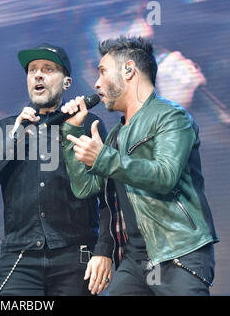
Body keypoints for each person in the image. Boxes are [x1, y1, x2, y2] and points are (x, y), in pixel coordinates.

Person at [62, 36, 219, 295]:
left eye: (103, 72)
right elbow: (85, 188)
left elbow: (165, 175)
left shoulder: (171, 116)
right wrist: (71, 130)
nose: (97, 83)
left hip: (178, 252)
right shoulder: (115, 134)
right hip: (135, 260)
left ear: (129, 70)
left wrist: (103, 158)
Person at [0, 43, 113, 296]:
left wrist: (104, 249)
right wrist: (16, 136)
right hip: (20, 257)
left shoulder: (88, 123)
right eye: (32, 70)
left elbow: (106, 194)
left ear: (66, 82)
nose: (38, 74)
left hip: (75, 253)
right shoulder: (7, 128)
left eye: (48, 69)